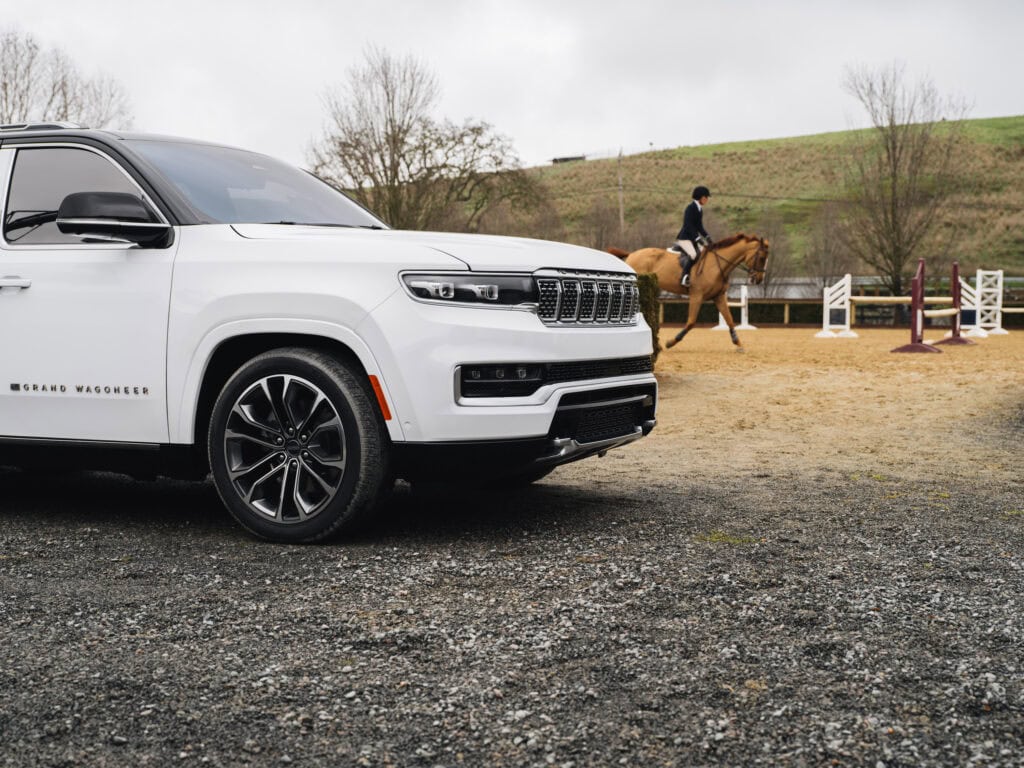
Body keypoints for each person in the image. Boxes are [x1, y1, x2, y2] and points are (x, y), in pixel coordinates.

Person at [670, 185, 712, 287]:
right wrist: (697, 238)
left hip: (692, 238)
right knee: (693, 255)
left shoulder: (699, 209)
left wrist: (707, 237)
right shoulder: (690, 208)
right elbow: (688, 225)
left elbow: (699, 226)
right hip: (684, 238)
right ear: (702, 198)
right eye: (707, 198)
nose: (707, 200)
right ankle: (684, 277)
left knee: (703, 252)